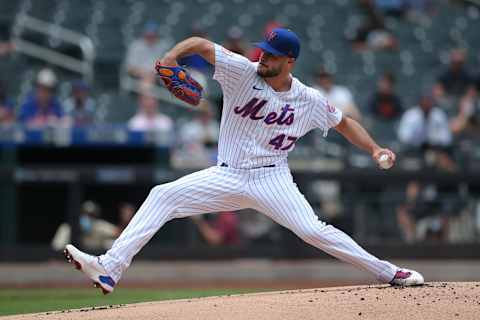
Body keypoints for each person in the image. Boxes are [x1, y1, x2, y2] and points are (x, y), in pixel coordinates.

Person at [64, 28, 424, 294]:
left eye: (271, 55)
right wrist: (171, 58)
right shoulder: (241, 71)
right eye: (263, 52)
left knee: (314, 231)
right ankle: (110, 268)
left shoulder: (308, 99)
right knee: (162, 195)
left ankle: (388, 272)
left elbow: (345, 123)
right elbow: (201, 45)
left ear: (289, 62)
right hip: (229, 174)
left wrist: (375, 149)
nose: (263, 58)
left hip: (273, 180)